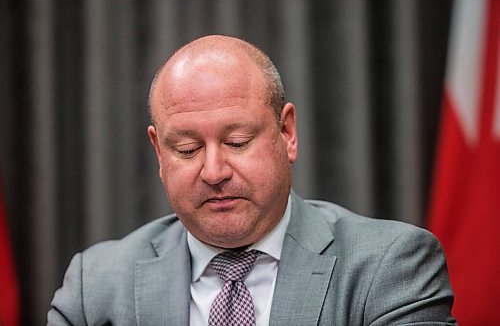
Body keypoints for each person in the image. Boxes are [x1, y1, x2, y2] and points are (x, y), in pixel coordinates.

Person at [48, 35, 456, 325]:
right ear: (159, 152)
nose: (214, 171)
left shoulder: (389, 268)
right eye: (187, 149)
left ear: (288, 133)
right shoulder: (94, 285)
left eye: (237, 142)